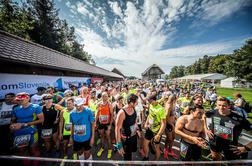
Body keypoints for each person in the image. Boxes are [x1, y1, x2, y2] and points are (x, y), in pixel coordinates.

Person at [205, 96, 252, 161]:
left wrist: (246, 148)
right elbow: (203, 116)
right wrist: (206, 129)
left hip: (231, 147)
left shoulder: (239, 119)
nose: (221, 107)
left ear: (229, 106)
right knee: (216, 159)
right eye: (219, 105)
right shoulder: (213, 112)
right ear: (216, 104)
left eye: (224, 105)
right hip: (214, 143)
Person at [10, 92, 44, 166]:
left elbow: (41, 120)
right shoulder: (16, 109)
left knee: (34, 149)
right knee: (22, 150)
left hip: (32, 131)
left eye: (22, 99)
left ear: (28, 98)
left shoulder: (36, 107)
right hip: (19, 132)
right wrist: (12, 126)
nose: (20, 101)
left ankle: (36, 163)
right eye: (18, 100)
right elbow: (13, 120)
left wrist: (24, 124)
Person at [70, 97, 95, 166]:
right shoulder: (72, 113)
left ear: (83, 104)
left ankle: (90, 164)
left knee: (87, 153)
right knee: (80, 152)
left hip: (87, 138)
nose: (79, 107)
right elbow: (72, 126)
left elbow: (93, 124)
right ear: (75, 105)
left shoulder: (88, 111)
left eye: (81, 105)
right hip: (77, 138)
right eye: (77, 105)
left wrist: (92, 137)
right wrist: (71, 137)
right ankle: (82, 164)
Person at [115, 94, 139, 161]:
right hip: (126, 140)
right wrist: (119, 145)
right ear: (131, 102)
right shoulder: (122, 113)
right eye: (136, 102)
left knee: (131, 153)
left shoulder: (133, 108)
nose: (137, 103)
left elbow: (134, 121)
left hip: (134, 137)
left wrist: (137, 129)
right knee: (128, 160)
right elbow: (117, 129)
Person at [142, 94, 166, 161]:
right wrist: (146, 123)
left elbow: (164, 124)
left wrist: (159, 134)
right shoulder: (151, 105)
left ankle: (156, 161)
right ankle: (146, 157)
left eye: (149, 101)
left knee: (156, 147)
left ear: (153, 100)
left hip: (157, 131)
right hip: (150, 129)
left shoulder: (161, 109)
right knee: (145, 143)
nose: (148, 102)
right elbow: (150, 115)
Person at [96, 92, 113, 159]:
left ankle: (109, 150)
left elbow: (112, 115)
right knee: (102, 136)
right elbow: (97, 113)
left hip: (107, 123)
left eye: (106, 96)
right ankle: (102, 148)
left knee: (108, 136)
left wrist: (110, 125)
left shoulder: (109, 104)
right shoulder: (99, 104)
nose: (104, 97)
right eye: (103, 96)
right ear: (101, 97)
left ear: (107, 97)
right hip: (101, 123)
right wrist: (95, 122)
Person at [164, 95, 179, 159]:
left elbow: (172, 114)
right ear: (173, 99)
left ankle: (169, 150)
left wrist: (175, 117)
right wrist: (172, 125)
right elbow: (166, 118)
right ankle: (166, 150)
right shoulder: (169, 106)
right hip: (169, 124)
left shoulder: (173, 104)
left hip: (172, 123)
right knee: (170, 138)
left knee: (173, 138)